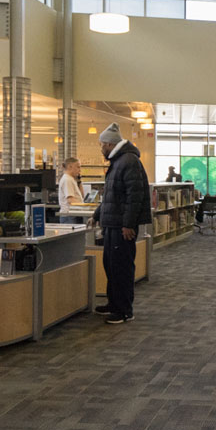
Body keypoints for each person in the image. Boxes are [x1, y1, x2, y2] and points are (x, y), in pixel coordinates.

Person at [90, 123, 151, 324]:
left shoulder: (128, 161)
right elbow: (110, 196)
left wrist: (128, 225)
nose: (100, 149)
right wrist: (97, 214)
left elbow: (135, 196)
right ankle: (113, 303)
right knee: (111, 265)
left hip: (120, 226)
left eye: (102, 145)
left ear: (109, 144)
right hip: (112, 224)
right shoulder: (118, 162)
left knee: (121, 268)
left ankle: (124, 310)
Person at [58, 157, 85, 224]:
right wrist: (85, 208)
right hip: (69, 216)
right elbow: (70, 200)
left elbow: (82, 196)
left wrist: (79, 181)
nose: (80, 170)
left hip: (74, 214)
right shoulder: (67, 180)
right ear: (70, 167)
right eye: (78, 167)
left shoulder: (71, 179)